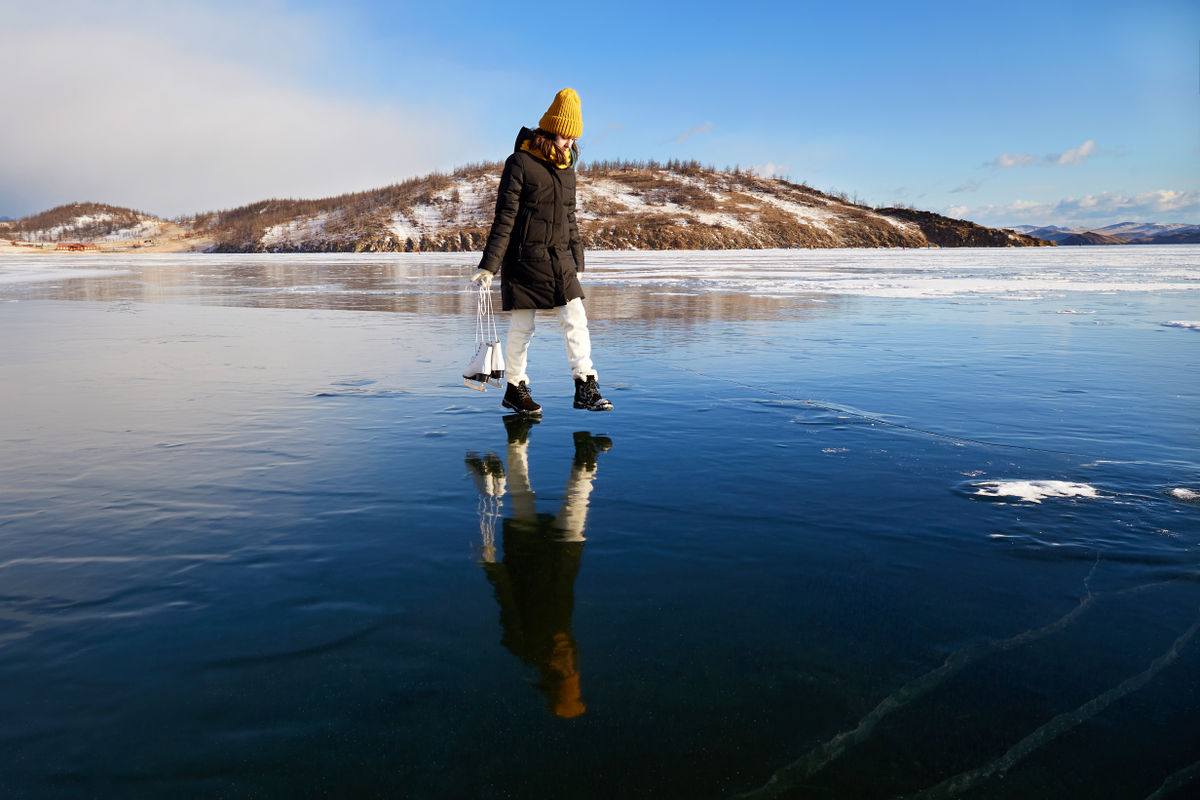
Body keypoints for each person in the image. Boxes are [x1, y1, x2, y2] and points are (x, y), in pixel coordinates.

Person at [471, 87, 613, 415]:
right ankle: (515, 388)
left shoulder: (567, 171)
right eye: (565, 137)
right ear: (550, 131)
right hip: (524, 259)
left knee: (576, 319)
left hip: (560, 258)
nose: (569, 144)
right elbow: (504, 217)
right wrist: (489, 266)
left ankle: (585, 387)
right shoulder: (519, 163)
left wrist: (577, 259)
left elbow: (570, 218)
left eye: (573, 139)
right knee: (523, 327)